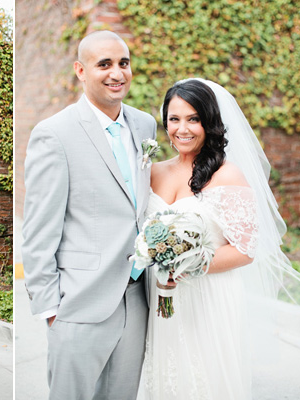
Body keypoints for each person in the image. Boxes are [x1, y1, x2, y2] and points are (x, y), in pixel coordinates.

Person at [139, 78, 300, 399]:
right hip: (161, 298)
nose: (182, 129)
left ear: (209, 122)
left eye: (193, 119)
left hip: (209, 297)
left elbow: (245, 250)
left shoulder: (228, 175)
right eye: (174, 119)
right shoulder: (152, 172)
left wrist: (188, 264)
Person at [22, 30, 157, 399]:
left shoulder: (145, 125)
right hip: (78, 303)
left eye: (124, 63)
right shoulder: (55, 134)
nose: (117, 73)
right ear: (81, 71)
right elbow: (39, 229)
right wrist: (51, 309)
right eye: (104, 64)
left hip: (137, 299)